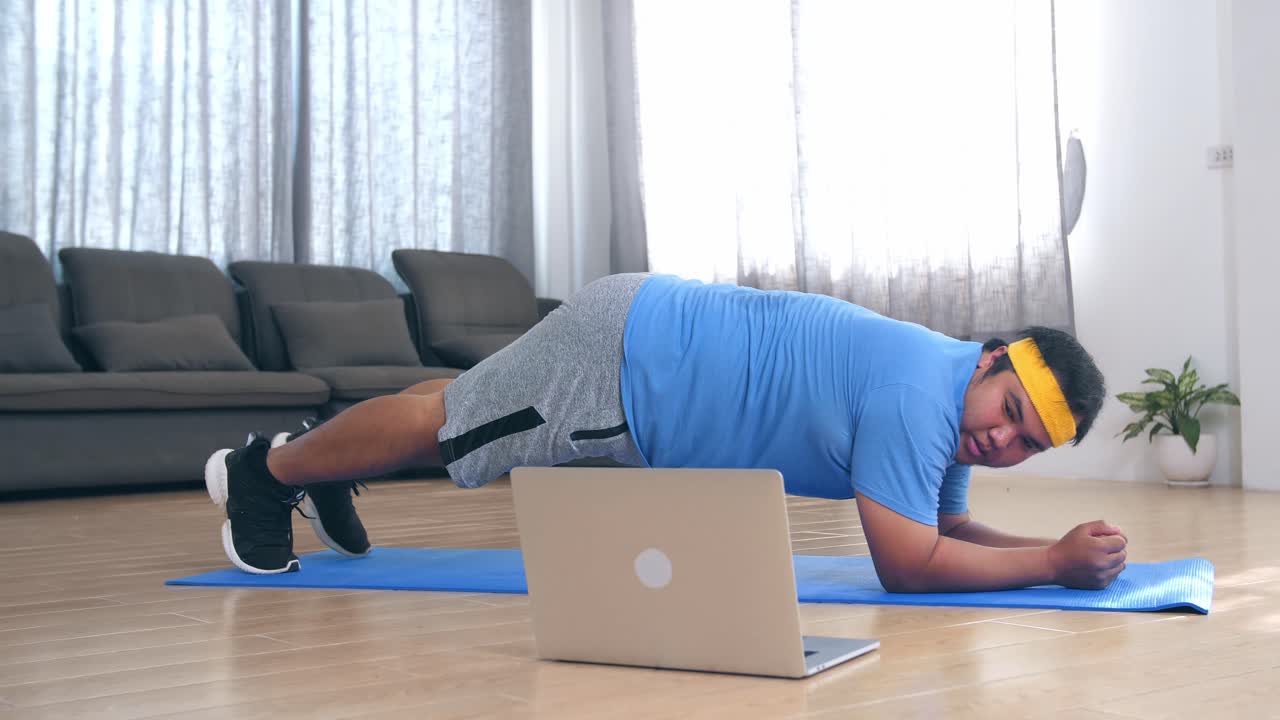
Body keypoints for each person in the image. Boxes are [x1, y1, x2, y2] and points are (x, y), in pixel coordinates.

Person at [206, 272, 1123, 593]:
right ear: (993, 361)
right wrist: (1052, 565)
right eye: (1011, 417)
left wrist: (1052, 546)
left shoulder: (944, 392)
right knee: (448, 427)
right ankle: (269, 471)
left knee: (468, 404)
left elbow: (947, 529)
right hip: (627, 361)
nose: (1004, 446)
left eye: (1027, 445)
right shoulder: (920, 400)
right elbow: (909, 564)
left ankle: (320, 465)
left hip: (648, 337)